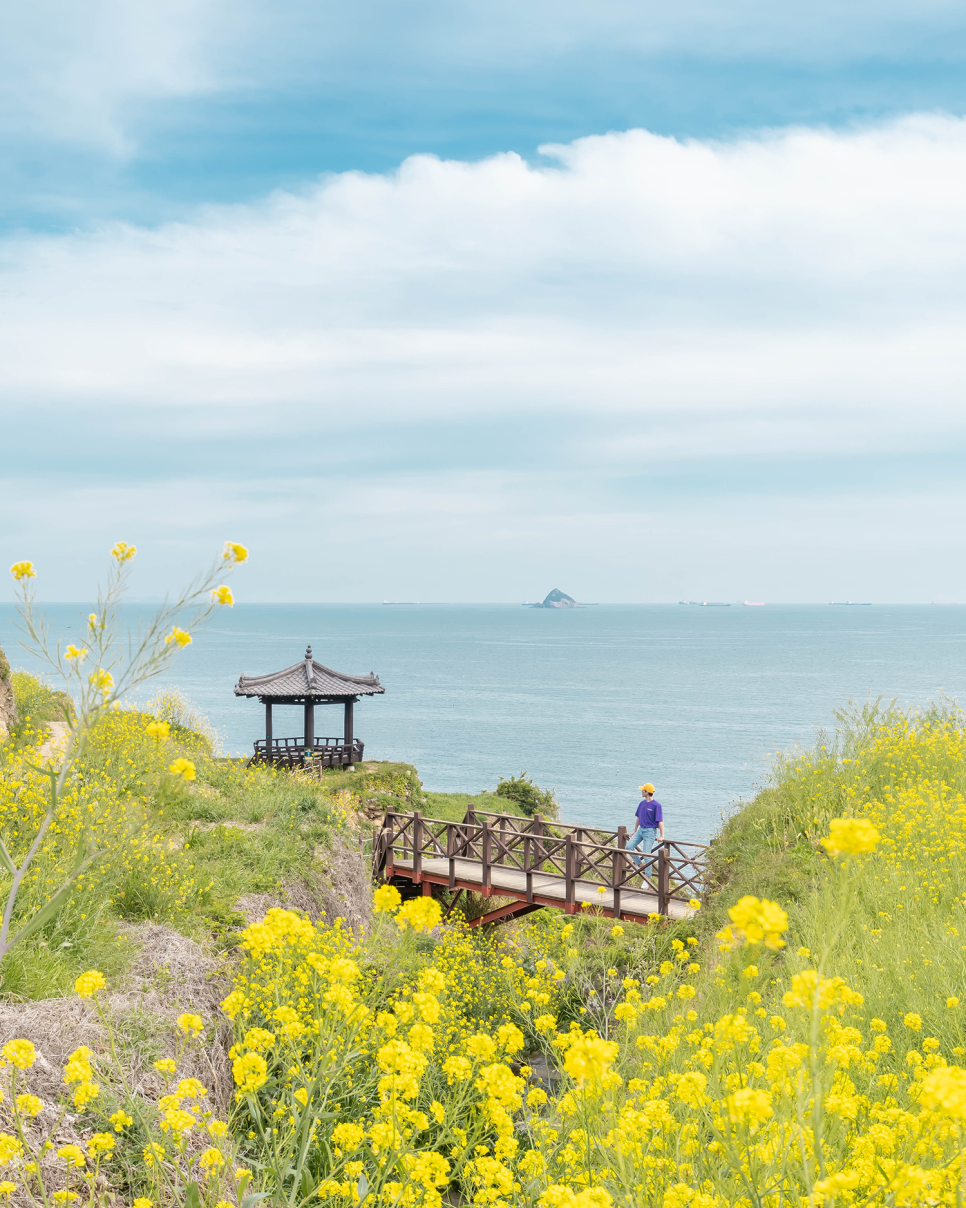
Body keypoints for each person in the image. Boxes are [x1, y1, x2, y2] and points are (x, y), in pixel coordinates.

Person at [627, 782, 665, 872]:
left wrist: (662, 836)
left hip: (650, 831)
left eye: (642, 790)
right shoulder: (641, 804)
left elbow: (660, 821)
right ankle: (640, 866)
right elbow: (638, 818)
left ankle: (647, 879)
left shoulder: (656, 805)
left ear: (647, 792)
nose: (641, 792)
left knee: (647, 855)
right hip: (640, 830)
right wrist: (634, 831)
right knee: (628, 847)